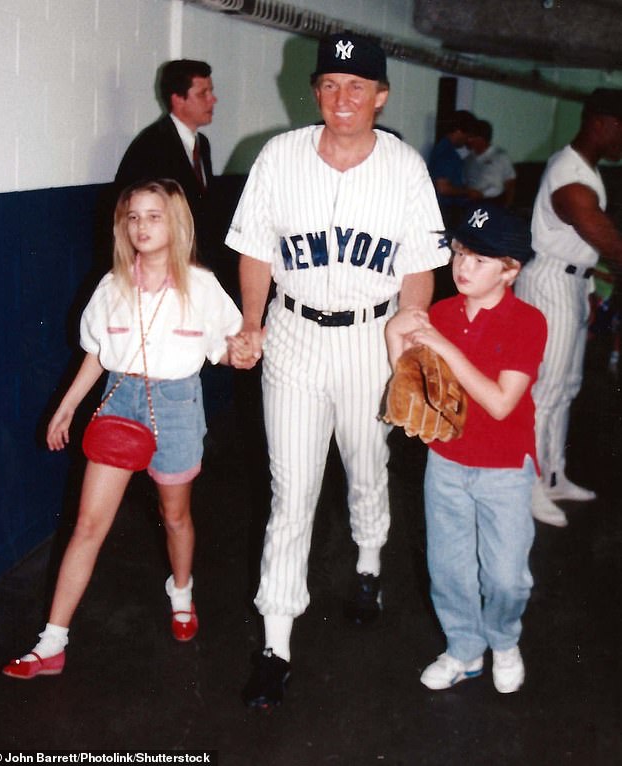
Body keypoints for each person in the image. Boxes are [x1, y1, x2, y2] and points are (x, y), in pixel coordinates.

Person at [225, 32, 449, 708]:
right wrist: (252, 322)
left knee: (366, 465)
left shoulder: (405, 167)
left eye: (357, 86)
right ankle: (276, 642)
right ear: (315, 91)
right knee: (291, 491)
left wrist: (408, 342)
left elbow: (419, 266)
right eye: (330, 84)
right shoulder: (278, 156)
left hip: (369, 337)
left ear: (380, 96)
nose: (342, 97)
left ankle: (370, 560)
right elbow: (257, 251)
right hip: (293, 334)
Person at [3, 179, 242, 679]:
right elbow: (95, 355)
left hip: (177, 404)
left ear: (175, 223)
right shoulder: (112, 286)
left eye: (154, 216)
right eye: (133, 217)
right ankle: (52, 642)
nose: (142, 227)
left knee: (174, 516)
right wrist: (66, 407)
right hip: (120, 402)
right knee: (88, 525)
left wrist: (243, 351)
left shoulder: (200, 286)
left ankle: (181, 592)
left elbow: (226, 347)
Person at [386, 203, 547, 694]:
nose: (462, 267)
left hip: (503, 467)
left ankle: (503, 639)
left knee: (506, 577)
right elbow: (414, 386)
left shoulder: (528, 321)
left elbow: (500, 403)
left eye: (480, 259)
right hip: (448, 462)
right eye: (459, 252)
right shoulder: (441, 312)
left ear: (511, 269)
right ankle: (464, 648)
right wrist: (397, 339)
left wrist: (444, 347)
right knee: (448, 568)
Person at [514, 88, 622, 527]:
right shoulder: (570, 175)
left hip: (573, 284)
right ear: (602, 124)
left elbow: (585, 246)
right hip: (551, 285)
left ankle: (553, 475)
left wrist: (590, 291)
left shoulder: (585, 170)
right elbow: (605, 236)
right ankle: (529, 487)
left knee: (567, 387)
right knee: (544, 393)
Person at [115, 60, 217, 265]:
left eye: (211, 92)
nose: (213, 100)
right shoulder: (152, 146)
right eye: (202, 94)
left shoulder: (201, 144)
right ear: (178, 100)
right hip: (166, 263)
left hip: (196, 259)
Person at [428, 109, 482, 228]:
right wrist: (468, 192)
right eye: (467, 135)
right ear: (458, 131)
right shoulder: (447, 153)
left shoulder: (444, 149)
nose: (468, 139)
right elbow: (443, 188)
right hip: (447, 211)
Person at [463, 119, 517, 207]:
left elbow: (510, 183)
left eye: (471, 137)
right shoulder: (468, 159)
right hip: (472, 204)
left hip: (494, 203)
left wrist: (508, 207)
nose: (468, 140)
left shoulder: (500, 157)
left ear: (481, 139)